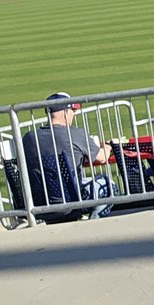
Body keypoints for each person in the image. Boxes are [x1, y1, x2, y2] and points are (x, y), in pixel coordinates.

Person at [19, 92, 115, 222]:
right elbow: (102, 158)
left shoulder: (28, 138)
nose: (73, 115)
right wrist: (109, 146)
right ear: (66, 112)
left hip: (37, 203)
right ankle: (94, 223)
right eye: (73, 111)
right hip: (71, 200)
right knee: (108, 184)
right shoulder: (76, 134)